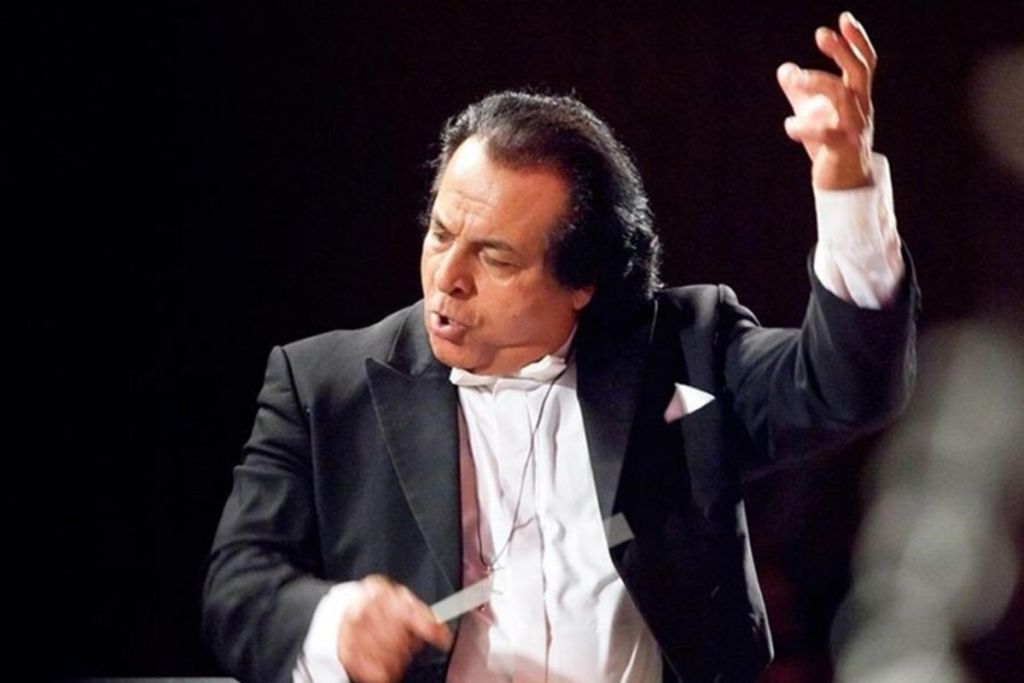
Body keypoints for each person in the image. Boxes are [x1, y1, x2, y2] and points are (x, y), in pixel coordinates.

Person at [202, 12, 918, 683]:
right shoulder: (321, 386)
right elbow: (237, 589)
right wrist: (334, 624)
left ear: (582, 282)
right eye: (440, 234)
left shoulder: (684, 352)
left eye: (495, 257)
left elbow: (846, 385)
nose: (447, 278)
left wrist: (846, 185)